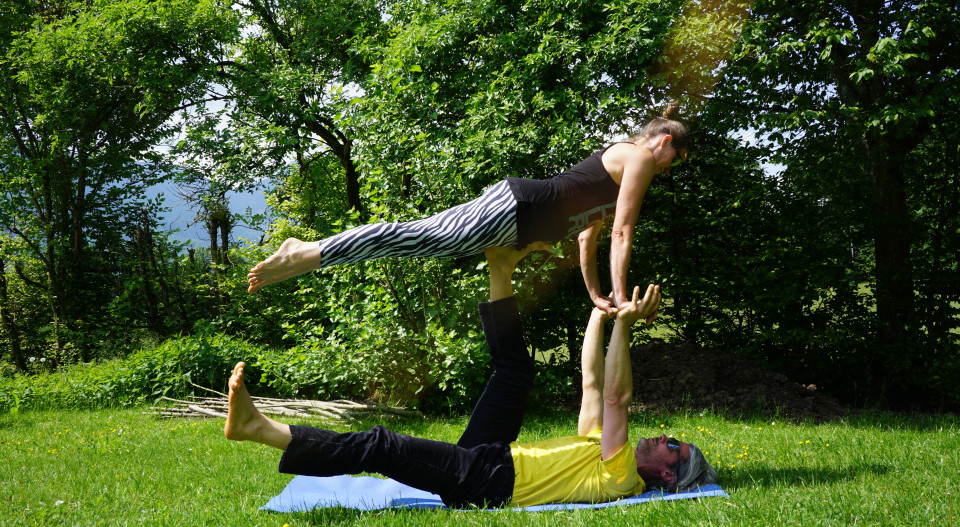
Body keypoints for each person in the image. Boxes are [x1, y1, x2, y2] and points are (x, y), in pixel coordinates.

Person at [226, 244, 716, 508]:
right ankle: (498, 268)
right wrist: (600, 313)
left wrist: (626, 328)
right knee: (514, 373)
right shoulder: (610, 453)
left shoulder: (622, 475)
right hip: (495, 457)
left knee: (382, 444)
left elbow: (616, 398)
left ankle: (260, 431)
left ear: (668, 474)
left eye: (675, 447)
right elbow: (592, 385)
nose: (666, 438)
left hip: (486, 483)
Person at [246, 104, 689, 314]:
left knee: (415, 242)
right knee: (414, 238)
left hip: (515, 217)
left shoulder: (617, 175)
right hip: (516, 208)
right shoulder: (640, 157)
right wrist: (622, 294)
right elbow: (622, 232)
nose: (669, 170)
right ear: (665, 141)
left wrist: (596, 294)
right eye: (676, 161)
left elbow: (588, 235)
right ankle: (307, 250)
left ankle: (310, 254)